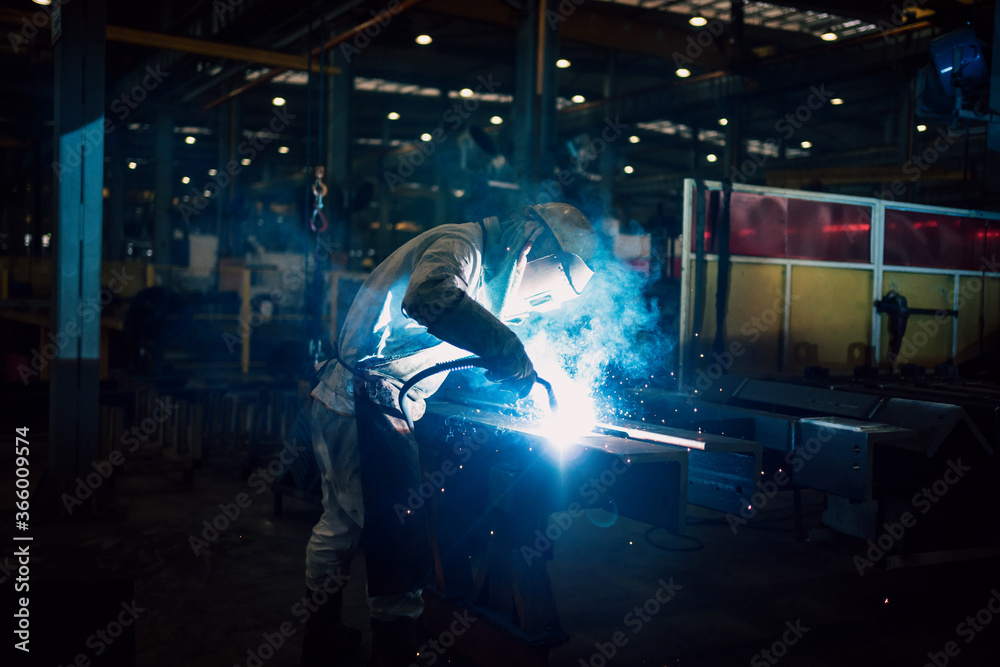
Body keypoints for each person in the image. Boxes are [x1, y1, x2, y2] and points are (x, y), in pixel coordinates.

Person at [300, 203, 597, 666]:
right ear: (532, 246)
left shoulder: (485, 269)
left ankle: (321, 641)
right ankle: (393, 655)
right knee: (397, 542)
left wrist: (506, 352)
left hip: (350, 402)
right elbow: (430, 297)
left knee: (339, 527)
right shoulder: (462, 247)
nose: (544, 301)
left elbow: (454, 335)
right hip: (366, 406)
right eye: (550, 290)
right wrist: (504, 346)